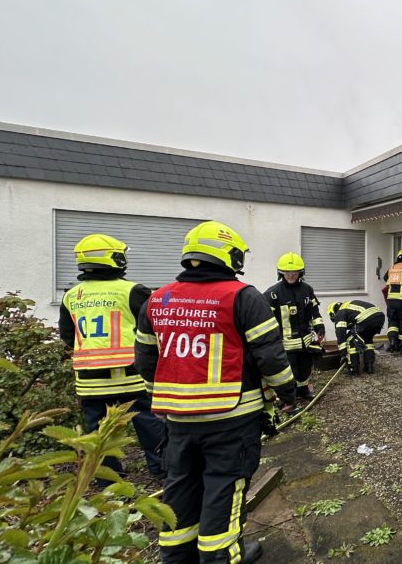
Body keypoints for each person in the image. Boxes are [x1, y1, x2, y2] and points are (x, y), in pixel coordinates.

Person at [135, 220, 297, 564]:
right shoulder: (242, 296)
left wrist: (163, 400)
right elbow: (270, 356)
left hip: (178, 421)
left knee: (181, 486)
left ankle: (176, 556)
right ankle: (219, 557)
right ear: (230, 256)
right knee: (224, 487)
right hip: (232, 420)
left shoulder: (157, 299)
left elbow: (146, 361)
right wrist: (287, 393)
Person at [58, 234, 165, 484]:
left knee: (98, 434)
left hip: (89, 381)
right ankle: (163, 472)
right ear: (115, 258)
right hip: (131, 375)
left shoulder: (71, 295)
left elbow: (67, 335)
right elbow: (156, 328)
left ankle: (108, 483)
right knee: (148, 423)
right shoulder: (133, 291)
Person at [264, 252, 325, 401]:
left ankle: (303, 390)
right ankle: (289, 397)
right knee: (289, 371)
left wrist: (320, 328)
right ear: (281, 273)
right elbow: (265, 319)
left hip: (305, 340)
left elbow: (314, 312)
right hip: (286, 342)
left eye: (294, 272)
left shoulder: (307, 289)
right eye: (287, 272)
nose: (291, 275)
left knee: (305, 368)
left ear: (300, 273)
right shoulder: (272, 293)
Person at [327, 299, 384, 375]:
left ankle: (353, 369)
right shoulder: (348, 307)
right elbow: (354, 324)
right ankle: (369, 367)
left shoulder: (340, 313)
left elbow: (340, 334)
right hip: (379, 317)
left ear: (333, 314)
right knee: (367, 339)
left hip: (367, 318)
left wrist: (343, 354)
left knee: (351, 341)